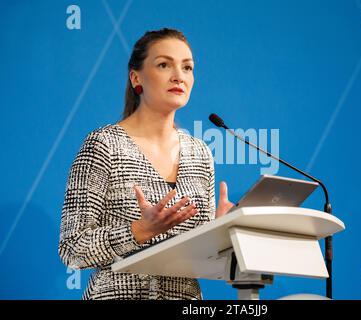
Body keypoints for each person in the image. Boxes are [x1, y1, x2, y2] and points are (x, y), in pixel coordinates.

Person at [58, 28, 234, 300]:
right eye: (164, 64)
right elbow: (72, 250)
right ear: (136, 77)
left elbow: (201, 259)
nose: (179, 76)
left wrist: (218, 233)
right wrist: (139, 230)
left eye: (187, 67)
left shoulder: (200, 154)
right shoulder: (103, 145)